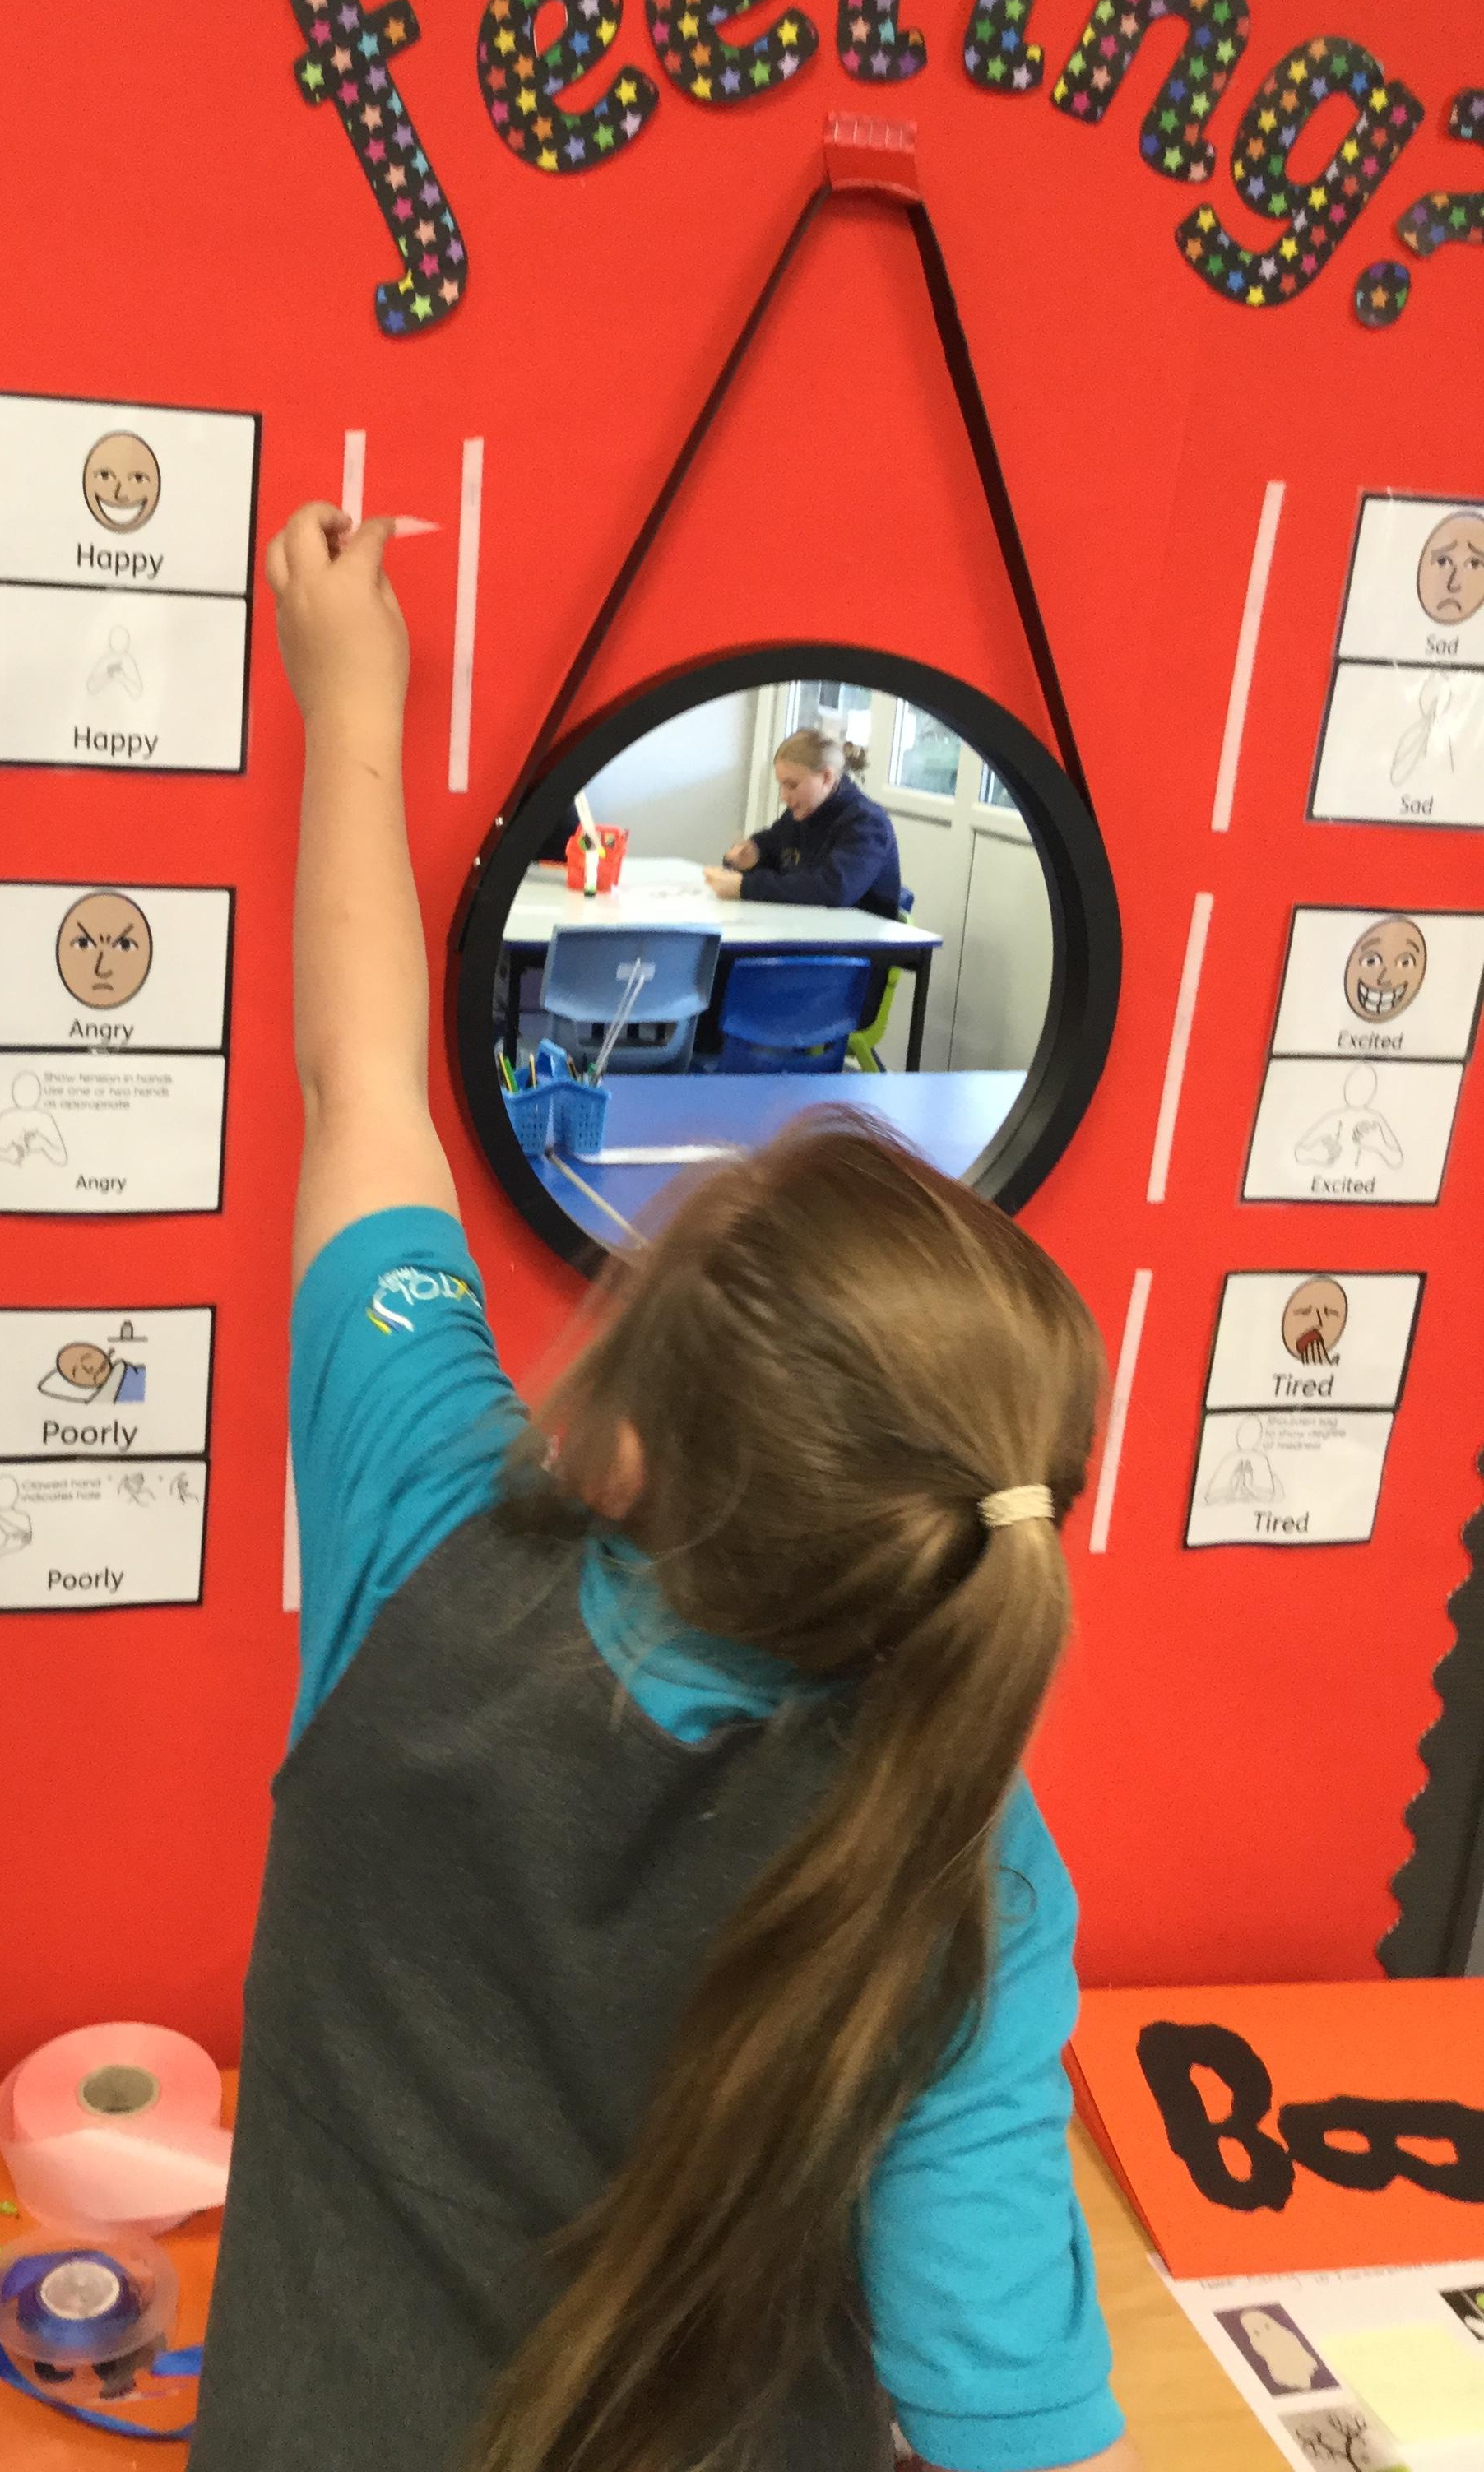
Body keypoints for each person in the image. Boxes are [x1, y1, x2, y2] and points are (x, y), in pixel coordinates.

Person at [189, 502, 1136, 2472]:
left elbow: (361, 1086)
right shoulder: (968, 1858)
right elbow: (1016, 2433)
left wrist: (348, 705)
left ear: (618, 1446)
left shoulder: (424, 1531)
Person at [706, 719, 903, 915]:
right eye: (781, 785)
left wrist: (745, 887)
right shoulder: (801, 813)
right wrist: (752, 857)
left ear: (826, 778)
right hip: (804, 926)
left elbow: (832, 890)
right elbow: (772, 848)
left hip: (858, 934)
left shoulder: (868, 823)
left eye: (792, 785)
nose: (783, 797)